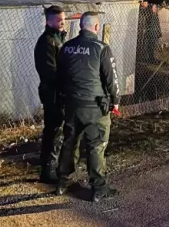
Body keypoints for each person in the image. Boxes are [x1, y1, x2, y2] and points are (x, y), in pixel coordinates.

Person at [55, 12, 121, 202]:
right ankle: (99, 188)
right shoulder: (101, 48)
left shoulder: (67, 47)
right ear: (96, 27)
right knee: (96, 146)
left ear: (81, 26)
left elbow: (60, 76)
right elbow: (111, 78)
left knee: (69, 143)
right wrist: (115, 99)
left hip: (72, 105)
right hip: (95, 108)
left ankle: (62, 182)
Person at [34, 5, 67, 183]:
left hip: (58, 92)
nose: (62, 22)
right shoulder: (47, 42)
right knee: (53, 131)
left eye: (63, 18)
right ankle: (48, 172)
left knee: (56, 130)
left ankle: (52, 166)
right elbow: (50, 73)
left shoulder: (58, 39)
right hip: (52, 93)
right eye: (58, 20)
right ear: (48, 21)